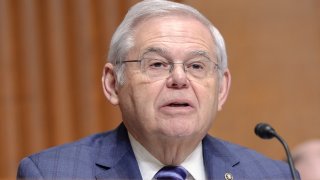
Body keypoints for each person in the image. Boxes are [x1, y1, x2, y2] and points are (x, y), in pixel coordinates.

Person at [17, 0, 299, 179]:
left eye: (197, 66)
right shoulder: (51, 173)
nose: (179, 78)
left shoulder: (274, 175)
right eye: (157, 64)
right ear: (113, 83)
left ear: (222, 89)